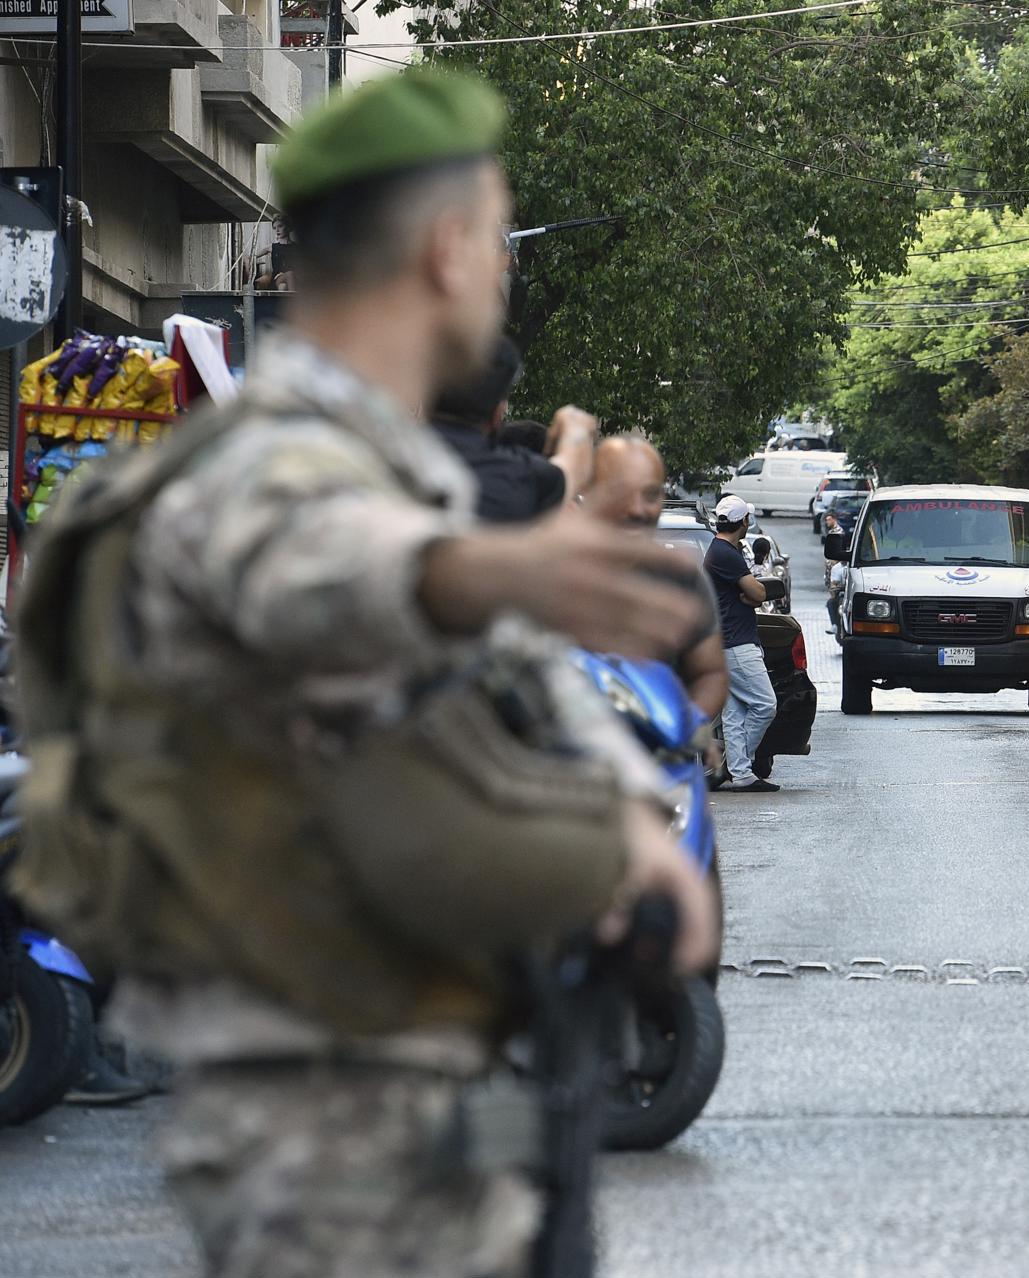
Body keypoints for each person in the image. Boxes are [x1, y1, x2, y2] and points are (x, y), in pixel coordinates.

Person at [14, 70, 719, 1278]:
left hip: (430, 1091)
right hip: (321, 1135)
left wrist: (625, 833)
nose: (503, 270)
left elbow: (506, 696)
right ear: (449, 250)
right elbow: (326, 571)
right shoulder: (276, 463)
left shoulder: (392, 470)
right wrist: (467, 574)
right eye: (499, 239)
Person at [595, 436, 730, 722]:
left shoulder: (683, 577)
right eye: (621, 492)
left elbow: (710, 673)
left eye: (650, 494)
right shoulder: (557, 572)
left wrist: (688, 727)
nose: (637, 509)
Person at [428, 336, 578, 522]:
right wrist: (573, 425)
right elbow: (571, 469)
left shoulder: (389, 450)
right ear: (498, 413)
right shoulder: (518, 483)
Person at [707, 494, 779, 793]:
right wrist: (752, 593)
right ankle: (733, 765)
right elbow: (758, 594)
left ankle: (741, 773)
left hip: (728, 640)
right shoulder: (725, 553)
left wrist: (750, 594)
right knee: (765, 704)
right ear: (743, 521)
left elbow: (751, 594)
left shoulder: (724, 550)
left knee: (735, 713)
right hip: (735, 643)